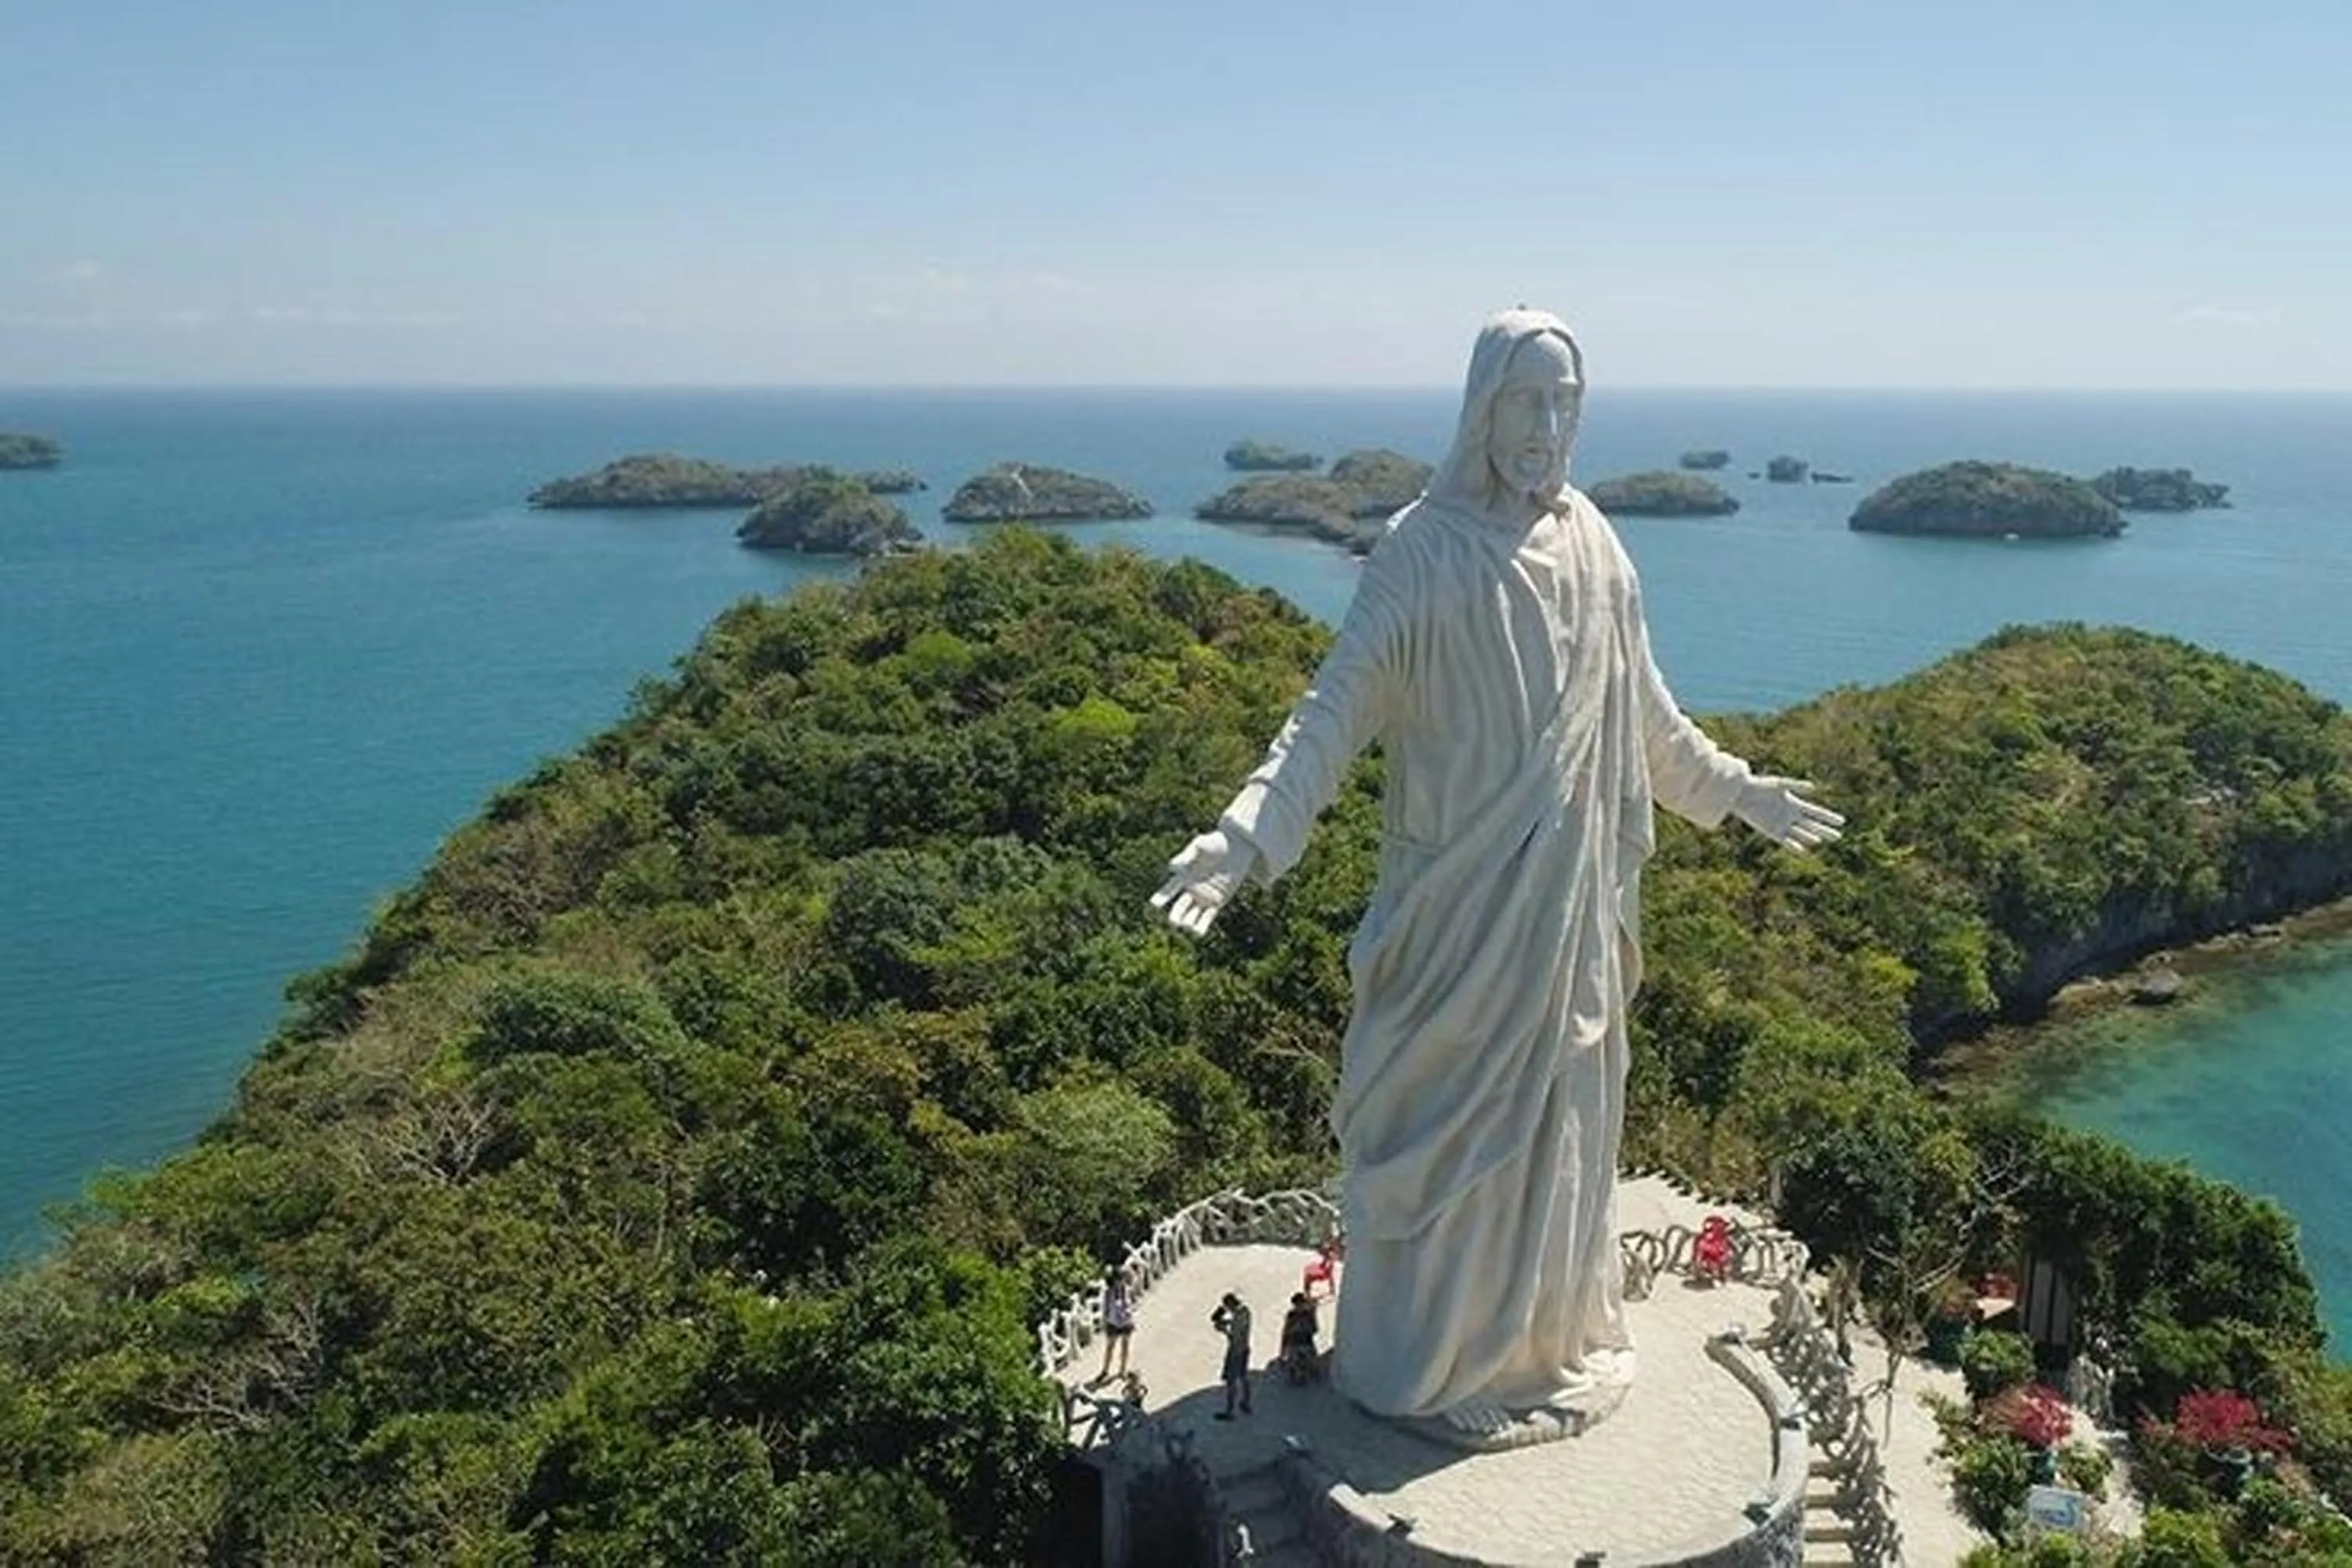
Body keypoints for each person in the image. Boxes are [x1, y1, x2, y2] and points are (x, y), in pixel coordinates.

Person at [1152, 309, 1842, 1439]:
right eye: (1528, 398)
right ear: (1482, 407)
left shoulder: (1596, 546)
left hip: (1565, 915)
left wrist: (1739, 793)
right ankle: (1428, 1373)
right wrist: (1244, 836)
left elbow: (1648, 719)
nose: (1548, 424)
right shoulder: (1421, 551)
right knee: (1449, 1144)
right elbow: (1329, 713)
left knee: (1553, 1136)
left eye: (1566, 401)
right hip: (1453, 918)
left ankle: (1536, 1350)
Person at [1210, 1292, 1254, 1419]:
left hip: (1236, 1351)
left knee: (1231, 1381)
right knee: (1243, 1377)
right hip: (1245, 1349)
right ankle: (1246, 1402)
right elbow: (1239, 1323)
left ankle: (1230, 1411)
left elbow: (1234, 1337)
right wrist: (1228, 1322)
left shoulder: (1238, 1316)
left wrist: (1223, 1329)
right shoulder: (1245, 1311)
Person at [1092, 1265, 1135, 1387]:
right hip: (1113, 1322)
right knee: (1110, 1347)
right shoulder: (1108, 1292)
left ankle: (1122, 1370)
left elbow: (1133, 1302)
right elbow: (1105, 1309)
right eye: (1118, 1280)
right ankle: (1105, 1370)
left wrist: (1130, 1311)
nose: (1120, 1282)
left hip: (1126, 1321)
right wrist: (1105, 1323)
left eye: (1121, 1279)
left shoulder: (1127, 1290)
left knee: (1125, 1346)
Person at [1280, 1291, 1322, 1385]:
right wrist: (1283, 1350)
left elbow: (1314, 1329)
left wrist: (1313, 1313)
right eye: (1297, 1304)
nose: (1299, 1306)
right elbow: (1286, 1332)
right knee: (1294, 1362)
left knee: (1312, 1364)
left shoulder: (1308, 1315)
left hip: (1306, 1343)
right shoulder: (1291, 1316)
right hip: (1294, 1344)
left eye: (1301, 1303)